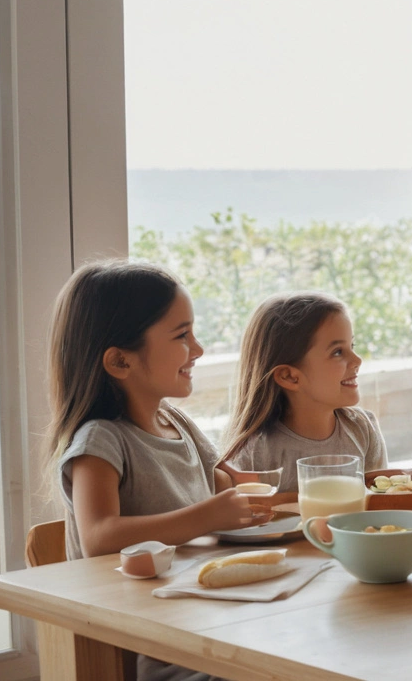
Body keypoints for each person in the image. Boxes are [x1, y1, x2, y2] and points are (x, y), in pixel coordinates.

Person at [48, 260, 263, 681]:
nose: (198, 349)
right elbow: (98, 538)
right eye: (182, 336)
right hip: (161, 646)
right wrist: (209, 516)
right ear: (120, 362)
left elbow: (220, 483)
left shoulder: (178, 424)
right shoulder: (102, 441)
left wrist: (256, 490)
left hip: (207, 620)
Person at [218, 292, 387, 492]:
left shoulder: (363, 429)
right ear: (290, 377)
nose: (357, 360)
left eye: (352, 345)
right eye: (338, 352)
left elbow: (379, 503)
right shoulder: (255, 452)